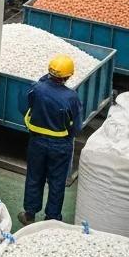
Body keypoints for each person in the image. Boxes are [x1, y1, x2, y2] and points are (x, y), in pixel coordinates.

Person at [18, 55, 83, 226]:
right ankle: (52, 219)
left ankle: (29, 214)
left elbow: (24, 106)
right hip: (60, 146)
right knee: (57, 182)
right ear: (68, 76)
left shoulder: (36, 88)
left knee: (34, 177)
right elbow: (76, 128)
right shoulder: (71, 97)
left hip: (37, 142)